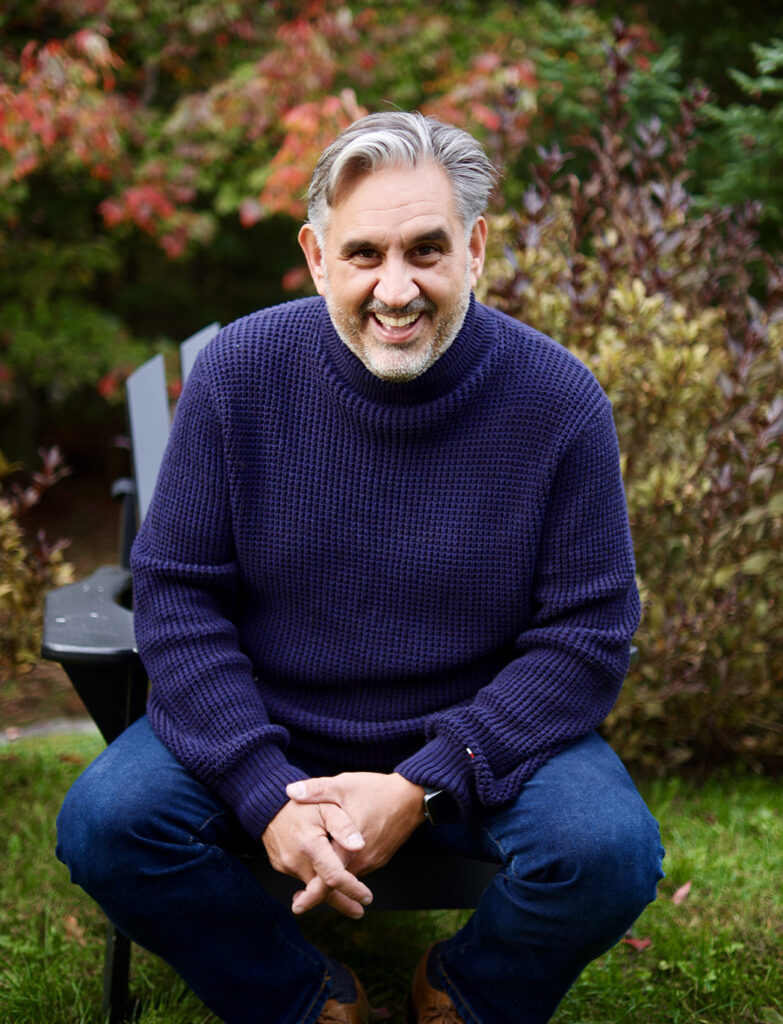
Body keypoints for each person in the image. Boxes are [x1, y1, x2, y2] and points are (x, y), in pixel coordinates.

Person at [56, 111, 664, 1024]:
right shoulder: (239, 375)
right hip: (271, 721)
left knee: (607, 853)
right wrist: (262, 791)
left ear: (475, 248)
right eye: (364, 255)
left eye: (426, 250)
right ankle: (304, 999)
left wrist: (425, 783)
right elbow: (177, 593)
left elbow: (587, 634)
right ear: (316, 258)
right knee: (105, 828)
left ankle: (462, 991)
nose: (396, 289)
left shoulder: (559, 402)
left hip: (475, 734)